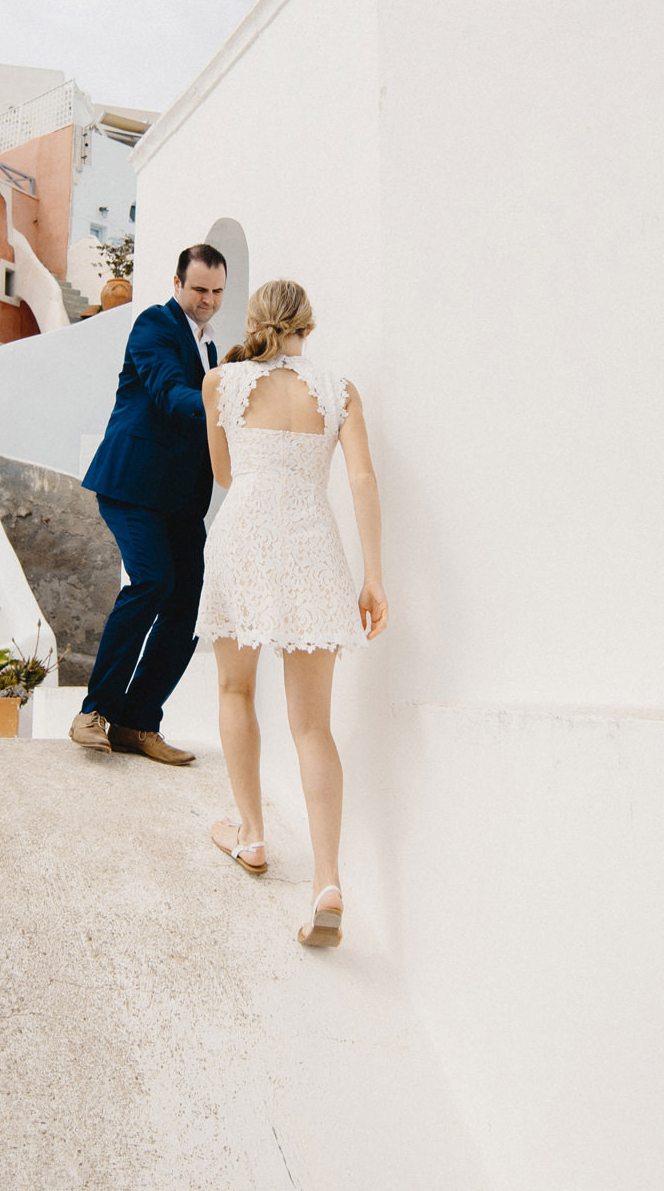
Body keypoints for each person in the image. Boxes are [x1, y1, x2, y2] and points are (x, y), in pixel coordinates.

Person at [197, 278, 386, 947]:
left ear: (255, 320)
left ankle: (251, 836)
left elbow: (224, 475)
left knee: (234, 688)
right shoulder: (340, 389)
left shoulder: (222, 383)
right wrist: (374, 578)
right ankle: (327, 880)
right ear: (309, 323)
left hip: (245, 537)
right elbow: (361, 480)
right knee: (314, 727)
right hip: (313, 544)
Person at [71, 242, 229, 766]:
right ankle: (93, 712)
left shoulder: (211, 348)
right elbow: (168, 391)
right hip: (133, 486)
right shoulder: (154, 325)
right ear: (179, 283)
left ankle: (137, 722)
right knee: (153, 581)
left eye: (217, 292)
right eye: (199, 289)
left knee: (189, 606)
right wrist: (226, 401)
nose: (207, 300)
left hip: (181, 499)